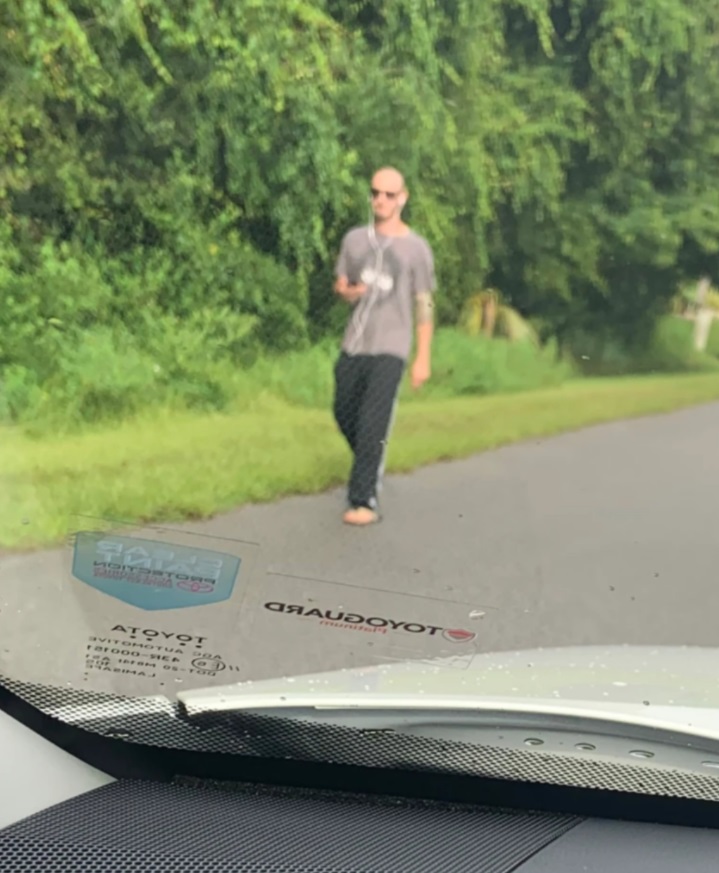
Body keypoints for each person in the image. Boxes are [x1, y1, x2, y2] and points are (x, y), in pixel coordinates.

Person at [332, 167, 436, 526]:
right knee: (343, 409)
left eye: (389, 194)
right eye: (376, 192)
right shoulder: (355, 240)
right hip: (355, 341)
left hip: (392, 344)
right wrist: (348, 292)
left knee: (373, 421)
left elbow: (424, 303)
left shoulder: (416, 248)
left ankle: (363, 500)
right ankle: (368, 462)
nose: (381, 199)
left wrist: (423, 356)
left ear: (402, 198)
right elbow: (342, 284)